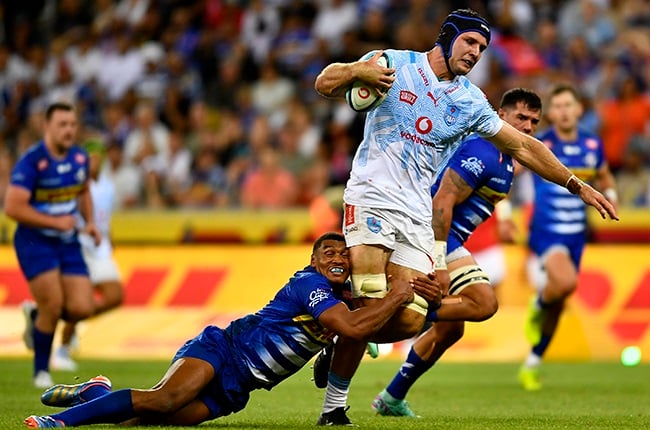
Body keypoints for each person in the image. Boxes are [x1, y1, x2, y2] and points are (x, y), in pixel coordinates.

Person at [312, 8, 617, 425]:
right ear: (448, 37)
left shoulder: (470, 101)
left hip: (416, 213)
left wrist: (577, 185)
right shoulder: (395, 63)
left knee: (408, 317)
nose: (476, 52)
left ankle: (339, 333)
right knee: (369, 299)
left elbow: (525, 148)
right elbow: (324, 83)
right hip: (371, 196)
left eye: (482, 47)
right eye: (470, 42)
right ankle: (334, 409)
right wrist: (354, 72)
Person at [24, 232, 441, 428]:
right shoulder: (308, 284)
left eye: (343, 255)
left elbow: (355, 326)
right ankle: (59, 423)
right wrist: (398, 295)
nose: (337, 258)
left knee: (149, 419)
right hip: (224, 349)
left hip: (239, 387)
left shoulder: (344, 297)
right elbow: (352, 325)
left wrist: (429, 300)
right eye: (327, 252)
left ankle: (95, 390)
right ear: (314, 261)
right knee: (165, 397)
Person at [370, 88, 542, 417]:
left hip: (450, 240)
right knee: (483, 303)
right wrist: (438, 261)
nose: (528, 126)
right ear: (501, 116)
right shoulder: (483, 149)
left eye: (534, 121)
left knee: (451, 327)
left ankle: (391, 398)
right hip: (430, 238)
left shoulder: (507, 159)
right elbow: (441, 203)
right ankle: (379, 320)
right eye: (521, 117)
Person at [519, 84, 618, 391]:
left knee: (560, 301)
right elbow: (514, 171)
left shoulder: (592, 144)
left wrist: (610, 194)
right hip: (547, 231)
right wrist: (507, 213)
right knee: (565, 283)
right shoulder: (541, 143)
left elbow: (603, 175)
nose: (563, 111)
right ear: (551, 113)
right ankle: (537, 305)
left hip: (577, 234)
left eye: (568, 105)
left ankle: (533, 362)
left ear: (579, 110)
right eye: (557, 106)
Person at [4, 102, 101, 388]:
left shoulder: (80, 158)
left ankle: (37, 316)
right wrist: (54, 222)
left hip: (67, 241)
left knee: (83, 308)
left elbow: (83, 191)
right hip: (35, 240)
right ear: (47, 127)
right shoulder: (32, 161)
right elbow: (12, 207)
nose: (69, 130)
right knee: (54, 303)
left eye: (72, 124)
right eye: (62, 124)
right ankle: (41, 372)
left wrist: (91, 221)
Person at [51, 138, 124, 371]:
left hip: (100, 248)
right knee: (79, 298)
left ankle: (57, 319)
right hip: (79, 245)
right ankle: (61, 349)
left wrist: (110, 239)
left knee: (115, 296)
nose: (95, 161)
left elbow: (105, 217)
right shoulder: (74, 185)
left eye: (98, 156)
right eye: (91, 156)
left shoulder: (108, 186)